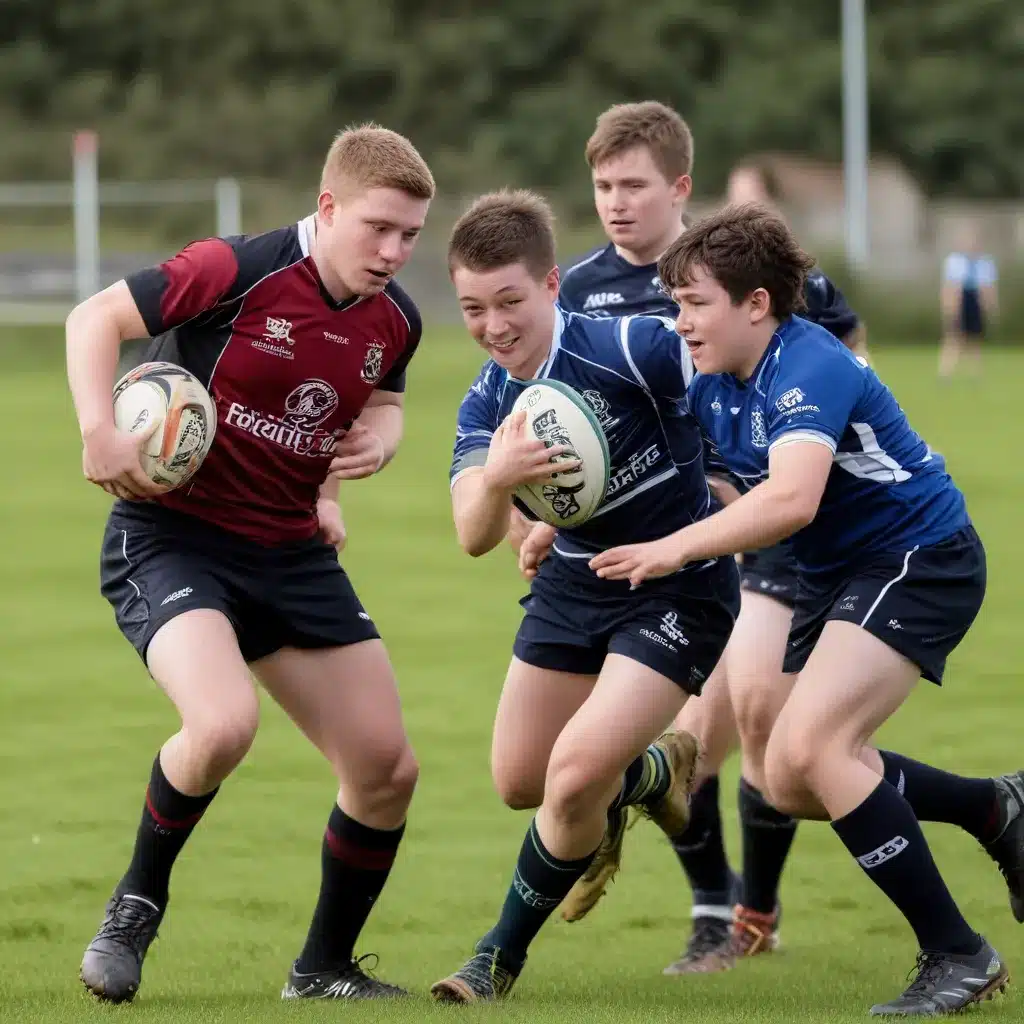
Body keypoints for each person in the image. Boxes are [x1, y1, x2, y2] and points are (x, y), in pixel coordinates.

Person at [586, 203, 1022, 1016]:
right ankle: (994, 807)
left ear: (757, 304)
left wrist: (676, 549)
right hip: (841, 573)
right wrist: (559, 518)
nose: (678, 322)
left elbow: (790, 498)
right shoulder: (715, 377)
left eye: (695, 304)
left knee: (818, 746)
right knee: (786, 779)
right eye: (674, 304)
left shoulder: (808, 364)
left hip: (919, 556)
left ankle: (958, 952)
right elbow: (698, 479)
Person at [65, 124, 434, 1003]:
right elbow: (96, 318)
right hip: (172, 536)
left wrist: (377, 444)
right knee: (224, 725)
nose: (393, 251)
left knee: (386, 769)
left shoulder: (397, 320)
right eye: (377, 228)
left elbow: (382, 400)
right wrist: (96, 429)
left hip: (290, 552)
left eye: (410, 235)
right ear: (328, 205)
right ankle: (134, 905)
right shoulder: (238, 269)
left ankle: (323, 970)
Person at [556, 101, 863, 974]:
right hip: (654, 536)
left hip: (764, 520)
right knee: (686, 739)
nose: (616, 203)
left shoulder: (745, 260)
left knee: (756, 717)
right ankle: (718, 911)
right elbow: (564, 418)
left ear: (679, 187)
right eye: (602, 187)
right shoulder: (579, 290)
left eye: (634, 185)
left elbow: (840, 348)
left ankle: (747, 914)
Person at [429, 189, 740, 1003]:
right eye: (472, 307)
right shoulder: (487, 405)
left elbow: (730, 377)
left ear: (551, 285)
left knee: (570, 782)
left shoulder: (632, 346)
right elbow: (470, 529)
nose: (493, 325)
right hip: (577, 578)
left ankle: (494, 960)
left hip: (678, 582)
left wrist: (733, 480)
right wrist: (499, 480)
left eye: (510, 302)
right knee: (520, 782)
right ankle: (652, 773)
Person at [938, 225, 998, 378]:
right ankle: (945, 374)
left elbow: (988, 287)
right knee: (954, 338)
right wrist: (948, 307)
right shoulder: (954, 261)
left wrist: (990, 305)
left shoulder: (985, 263)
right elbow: (950, 287)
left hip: (975, 300)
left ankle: (975, 374)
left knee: (975, 339)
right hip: (960, 301)